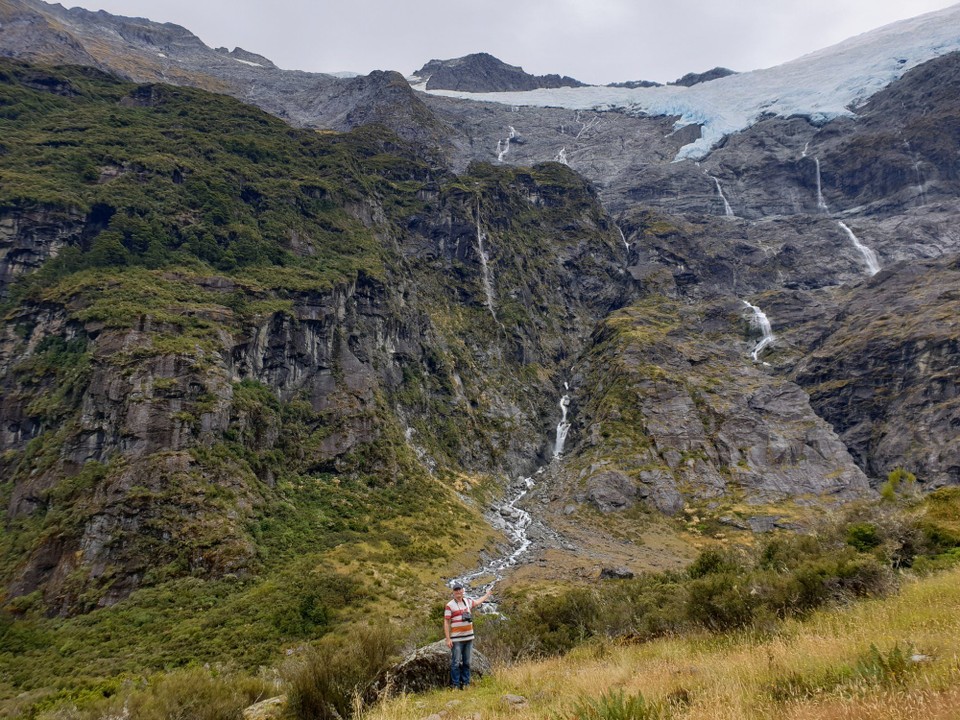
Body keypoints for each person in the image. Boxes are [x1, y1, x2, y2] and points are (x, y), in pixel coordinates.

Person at [443, 583, 492, 689]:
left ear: (463, 591)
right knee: (455, 663)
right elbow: (446, 622)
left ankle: (466, 684)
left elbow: (478, 601)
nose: (458, 592)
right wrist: (448, 639)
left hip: (469, 638)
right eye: (456, 590)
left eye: (459, 590)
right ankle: (455, 685)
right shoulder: (449, 605)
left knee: (467, 662)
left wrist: (487, 595)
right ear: (453, 592)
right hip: (456, 639)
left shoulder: (468, 601)